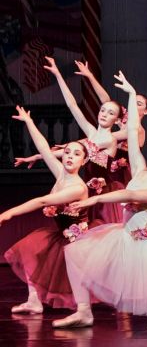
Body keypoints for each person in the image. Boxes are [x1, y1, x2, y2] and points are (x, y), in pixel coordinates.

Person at [52, 71, 147, 328]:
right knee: (75, 252)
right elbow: (133, 132)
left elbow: (131, 194)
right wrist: (130, 94)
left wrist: (94, 201)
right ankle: (83, 312)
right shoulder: (140, 168)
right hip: (126, 236)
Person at [16, 56, 125, 224]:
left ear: (117, 120)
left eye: (110, 113)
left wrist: (42, 155)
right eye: (103, 110)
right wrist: (58, 74)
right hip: (85, 192)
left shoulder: (109, 140)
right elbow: (72, 106)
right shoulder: (91, 132)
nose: (104, 114)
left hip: (103, 197)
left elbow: (84, 147)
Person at [2, 106, 89, 313]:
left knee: (78, 279)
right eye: (67, 152)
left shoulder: (77, 187)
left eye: (76, 154)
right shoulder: (61, 173)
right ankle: (34, 301)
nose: (69, 156)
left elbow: (42, 201)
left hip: (77, 240)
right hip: (60, 235)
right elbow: (43, 147)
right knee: (30, 250)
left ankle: (86, 312)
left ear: (83, 161)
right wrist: (29, 122)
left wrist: (9, 212)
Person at [74, 59, 147, 186]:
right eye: (133, 101)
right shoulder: (123, 120)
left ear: (146, 111)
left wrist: (75, 144)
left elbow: (104, 138)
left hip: (122, 170)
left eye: (138, 104)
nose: (133, 105)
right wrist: (90, 76)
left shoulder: (138, 129)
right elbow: (106, 100)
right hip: (109, 165)